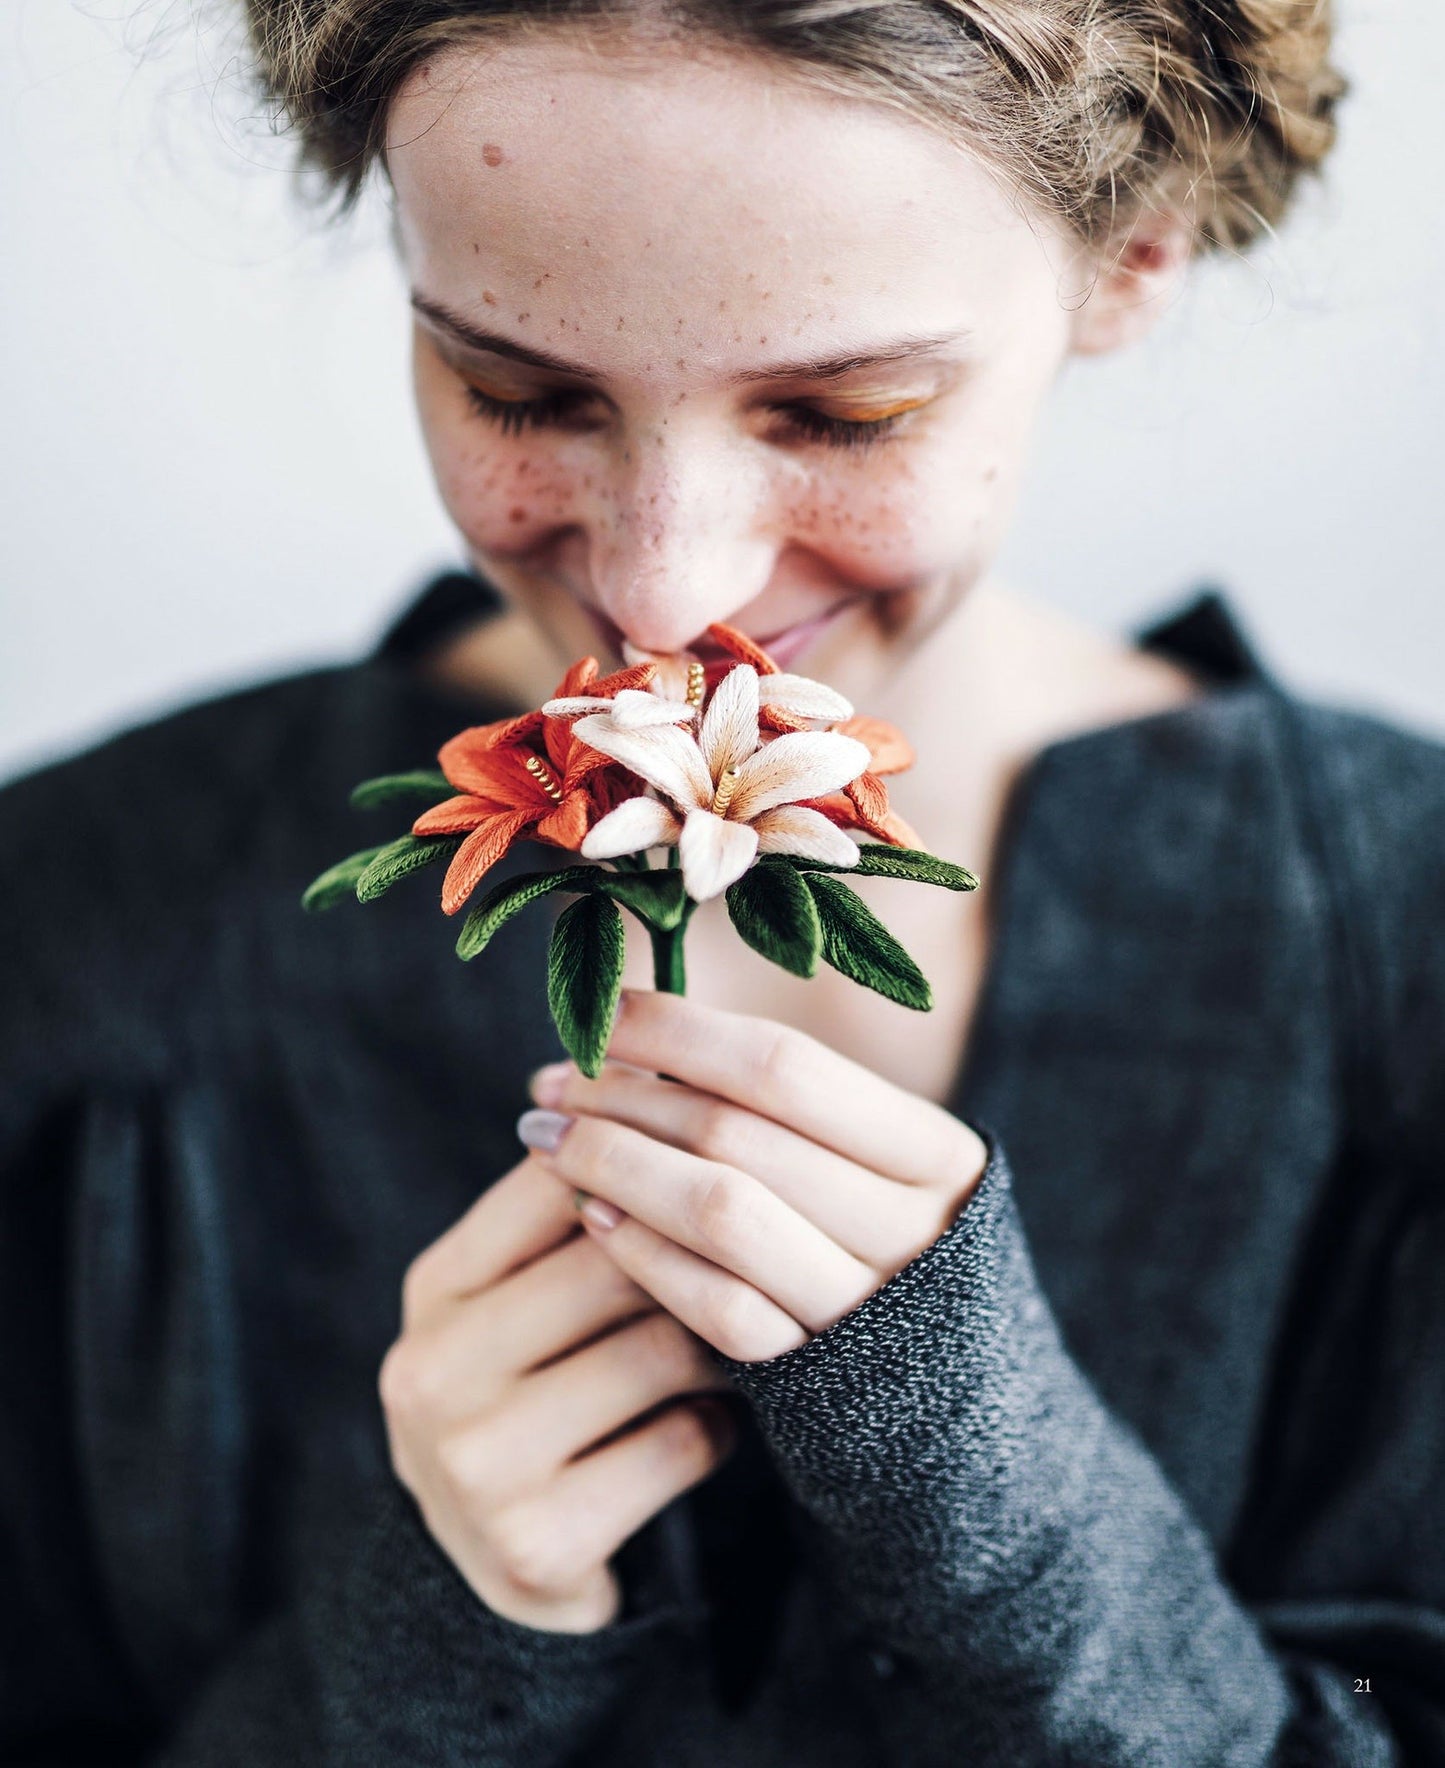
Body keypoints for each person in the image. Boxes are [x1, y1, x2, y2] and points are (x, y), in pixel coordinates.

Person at [2, 0, 1442, 1761]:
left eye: (845, 410)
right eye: (518, 388)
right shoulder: (75, 930)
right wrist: (419, 1644)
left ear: (1130, 261)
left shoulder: (1405, 945)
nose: (667, 599)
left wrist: (1026, 1543)